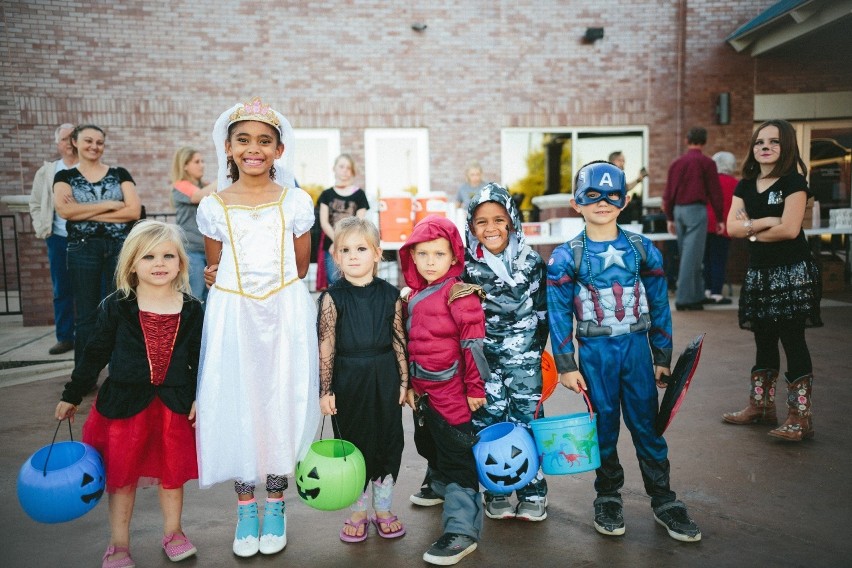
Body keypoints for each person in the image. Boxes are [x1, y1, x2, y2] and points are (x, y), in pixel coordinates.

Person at [547, 161, 702, 543]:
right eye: (592, 195)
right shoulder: (566, 257)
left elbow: (660, 305)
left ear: (626, 199)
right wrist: (566, 364)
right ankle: (608, 495)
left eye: (611, 195)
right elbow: (558, 312)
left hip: (635, 350)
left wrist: (662, 356)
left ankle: (663, 498)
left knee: (647, 426)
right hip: (596, 353)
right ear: (575, 203)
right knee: (602, 428)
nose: (602, 202)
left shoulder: (641, 249)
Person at [194, 97, 320, 558]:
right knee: (239, 402)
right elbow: (216, 265)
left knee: (279, 401)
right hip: (234, 316)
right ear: (228, 147)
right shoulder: (213, 206)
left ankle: (275, 501)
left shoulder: (296, 202)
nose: (254, 149)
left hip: (283, 314)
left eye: (264, 141)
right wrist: (216, 277)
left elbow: (301, 265)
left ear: (279, 151)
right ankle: (245, 508)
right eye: (243, 140)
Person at [54, 220, 204, 567]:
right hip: (124, 408)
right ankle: (119, 544)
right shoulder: (117, 305)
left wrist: (199, 395)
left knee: (171, 474)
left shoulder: (193, 308)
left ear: (181, 262)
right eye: (149, 256)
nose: (160, 263)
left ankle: (174, 532)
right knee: (122, 479)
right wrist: (72, 394)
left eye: (168, 255)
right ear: (132, 263)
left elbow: (199, 359)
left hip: (174, 406)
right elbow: (95, 353)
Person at [721, 119, 822, 442]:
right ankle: (762, 407)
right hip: (760, 273)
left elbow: (790, 230)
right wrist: (765, 222)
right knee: (763, 338)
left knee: (792, 339)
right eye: (760, 142)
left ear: (787, 146)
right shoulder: (745, 186)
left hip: (791, 272)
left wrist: (750, 228)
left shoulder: (794, 183)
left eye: (774, 142)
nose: (765, 147)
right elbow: (732, 229)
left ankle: (799, 416)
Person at [399, 215, 489, 565]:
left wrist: (474, 388)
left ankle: (462, 529)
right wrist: (409, 387)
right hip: (424, 393)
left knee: (455, 455)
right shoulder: (416, 294)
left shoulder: (460, 293)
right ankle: (438, 486)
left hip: (453, 391)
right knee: (430, 443)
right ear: (412, 257)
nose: (431, 262)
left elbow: (474, 345)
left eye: (439, 254)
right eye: (423, 254)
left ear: (454, 257)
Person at [317, 216, 410, 543]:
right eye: (345, 249)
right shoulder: (332, 297)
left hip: (384, 375)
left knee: (387, 441)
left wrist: (404, 381)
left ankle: (383, 509)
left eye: (361, 248)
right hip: (348, 379)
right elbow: (326, 345)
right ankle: (357, 511)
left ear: (376, 253)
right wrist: (325, 389)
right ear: (336, 256)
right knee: (352, 444)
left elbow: (399, 337)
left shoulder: (391, 294)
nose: (353, 255)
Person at [463, 183, 550, 521]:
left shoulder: (530, 261)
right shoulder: (467, 265)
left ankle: (533, 492)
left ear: (512, 220)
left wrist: (532, 353)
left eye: (499, 219)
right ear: (471, 226)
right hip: (483, 363)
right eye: (482, 222)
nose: (491, 228)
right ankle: (496, 490)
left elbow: (542, 313)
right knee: (489, 420)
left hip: (524, 361)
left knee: (527, 422)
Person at [53, 124, 142, 364]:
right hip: (82, 249)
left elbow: (133, 211)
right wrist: (111, 205)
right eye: (88, 141)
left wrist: (82, 212)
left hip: (118, 248)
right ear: (75, 143)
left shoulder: (120, 173)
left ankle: (119, 370)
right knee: (86, 315)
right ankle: (84, 374)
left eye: (99, 142)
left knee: (119, 309)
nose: (94, 146)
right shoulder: (64, 176)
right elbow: (64, 210)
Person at [662, 127, 725, 311]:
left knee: (689, 254)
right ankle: (684, 299)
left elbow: (668, 192)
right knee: (692, 256)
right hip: (696, 210)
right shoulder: (707, 163)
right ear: (704, 142)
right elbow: (715, 192)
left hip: (679, 211)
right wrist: (720, 218)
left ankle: (696, 295)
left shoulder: (677, 163)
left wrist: (670, 218)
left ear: (687, 140)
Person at [28, 123, 77, 355]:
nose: (70, 142)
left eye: (74, 137)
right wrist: (42, 227)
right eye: (65, 138)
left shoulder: (87, 167)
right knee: (62, 288)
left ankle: (93, 336)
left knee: (94, 287)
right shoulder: (48, 171)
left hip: (86, 239)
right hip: (57, 238)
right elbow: (35, 202)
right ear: (58, 144)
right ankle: (65, 337)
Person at [317, 154, 369, 289]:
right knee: (334, 280)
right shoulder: (326, 194)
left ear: (352, 171)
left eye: (348, 168)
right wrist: (337, 242)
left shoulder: (359, 195)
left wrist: (342, 243)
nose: (345, 170)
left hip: (352, 246)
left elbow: (359, 222)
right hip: (331, 246)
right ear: (334, 168)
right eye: (341, 166)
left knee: (353, 281)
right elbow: (324, 222)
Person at [170, 146, 214, 302]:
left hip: (209, 249)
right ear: (185, 166)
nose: (202, 165)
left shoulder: (205, 185)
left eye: (202, 161)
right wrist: (222, 179)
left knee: (212, 296)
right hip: (191, 250)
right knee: (195, 296)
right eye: (197, 162)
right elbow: (197, 197)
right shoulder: (180, 185)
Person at [702, 151, 737, 305]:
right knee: (719, 260)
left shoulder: (708, 181)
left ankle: (707, 290)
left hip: (705, 224)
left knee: (707, 260)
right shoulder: (735, 183)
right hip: (723, 225)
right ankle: (716, 293)